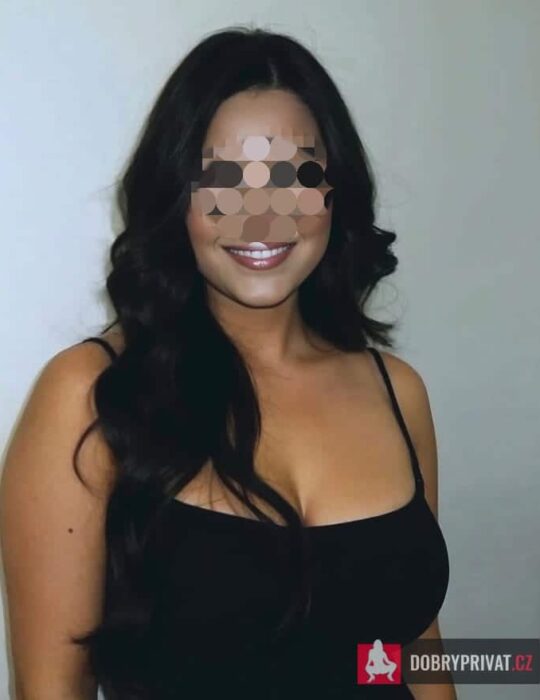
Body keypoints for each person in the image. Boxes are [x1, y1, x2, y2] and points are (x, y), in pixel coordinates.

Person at [0, 26, 454, 699]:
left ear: (335, 193)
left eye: (295, 176)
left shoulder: (398, 390)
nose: (261, 215)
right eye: (221, 177)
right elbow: (51, 690)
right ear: (175, 197)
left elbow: (412, 647)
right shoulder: (90, 395)